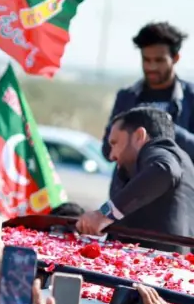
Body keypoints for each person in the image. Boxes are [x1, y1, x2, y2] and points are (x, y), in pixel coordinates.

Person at [78, 107, 194, 252]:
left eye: (115, 143)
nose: (112, 155)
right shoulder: (181, 159)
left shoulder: (161, 151)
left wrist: (104, 214)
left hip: (156, 267)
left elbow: (164, 170)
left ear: (139, 136)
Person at [102, 22, 194, 166]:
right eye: (146, 60)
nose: (152, 67)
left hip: (177, 185)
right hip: (130, 187)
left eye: (159, 60)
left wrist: (163, 128)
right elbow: (107, 152)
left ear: (175, 58)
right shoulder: (127, 96)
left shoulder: (190, 97)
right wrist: (125, 133)